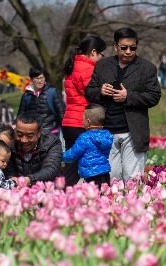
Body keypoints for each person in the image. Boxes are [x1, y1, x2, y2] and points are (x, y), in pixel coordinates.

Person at [84, 27, 161, 181]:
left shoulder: (147, 68)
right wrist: (100, 91)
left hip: (132, 132)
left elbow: (154, 96)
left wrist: (128, 96)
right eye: (123, 47)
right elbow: (89, 92)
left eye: (132, 48)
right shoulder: (103, 65)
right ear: (115, 46)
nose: (128, 51)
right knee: (111, 178)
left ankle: (135, 205)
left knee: (133, 178)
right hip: (106, 130)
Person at [62, 35, 107, 186]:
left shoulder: (72, 65)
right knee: (91, 164)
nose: (102, 58)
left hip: (68, 122)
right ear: (93, 52)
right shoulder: (87, 68)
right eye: (101, 54)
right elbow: (91, 93)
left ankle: (64, 198)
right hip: (83, 122)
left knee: (71, 167)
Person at [4, 112, 63, 187]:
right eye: (19, 135)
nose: (24, 140)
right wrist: (12, 178)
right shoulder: (9, 141)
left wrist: (29, 179)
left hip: (44, 190)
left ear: (39, 133)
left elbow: (51, 169)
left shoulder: (52, 142)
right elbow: (7, 167)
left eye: (30, 136)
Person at [63, 104, 113, 188]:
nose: (82, 120)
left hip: (91, 175)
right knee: (104, 197)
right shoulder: (107, 135)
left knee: (92, 198)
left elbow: (72, 154)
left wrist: (61, 155)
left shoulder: (85, 138)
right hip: (105, 174)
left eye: (83, 118)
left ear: (88, 121)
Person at [17, 66, 66, 135]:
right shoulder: (26, 95)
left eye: (42, 78)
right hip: (33, 135)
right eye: (37, 78)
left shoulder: (52, 93)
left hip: (52, 133)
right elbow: (20, 116)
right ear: (31, 79)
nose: (40, 81)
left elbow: (62, 114)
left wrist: (65, 133)